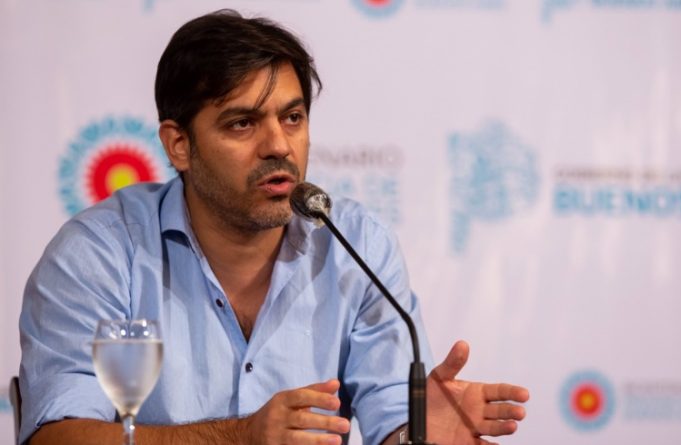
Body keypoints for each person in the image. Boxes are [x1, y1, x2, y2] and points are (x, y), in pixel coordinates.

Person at [18, 9, 529, 445]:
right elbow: (56, 436)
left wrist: (415, 433)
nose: (279, 146)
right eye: (242, 123)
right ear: (179, 145)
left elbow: (391, 416)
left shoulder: (356, 245)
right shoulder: (101, 253)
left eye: (292, 118)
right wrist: (239, 436)